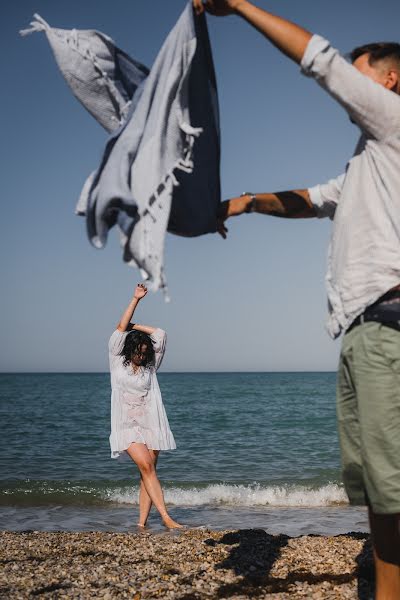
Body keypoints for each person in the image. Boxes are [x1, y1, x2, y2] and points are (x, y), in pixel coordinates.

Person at [193, 0, 400, 597]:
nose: (351, 88)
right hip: (363, 332)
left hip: (390, 327)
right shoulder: (368, 159)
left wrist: (238, 5)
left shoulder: (392, 121)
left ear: (389, 80)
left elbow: (321, 61)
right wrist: (248, 201)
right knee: (376, 488)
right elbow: (311, 199)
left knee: (394, 488)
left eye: (362, 75)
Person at [108, 282, 182, 529]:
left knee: (147, 472)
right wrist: (135, 299)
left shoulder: (150, 366)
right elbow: (120, 329)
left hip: (151, 422)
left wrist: (137, 326)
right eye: (138, 351)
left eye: (144, 351)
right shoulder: (117, 361)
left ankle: (141, 523)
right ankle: (167, 518)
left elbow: (161, 335)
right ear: (129, 350)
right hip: (126, 423)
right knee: (146, 466)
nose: (141, 355)